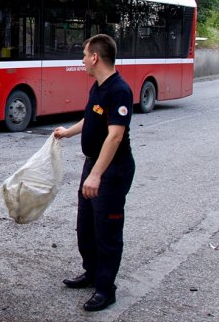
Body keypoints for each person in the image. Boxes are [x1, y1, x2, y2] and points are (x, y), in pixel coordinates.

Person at [53, 34, 135, 312]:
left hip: (112, 170)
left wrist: (96, 175)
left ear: (95, 57)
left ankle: (105, 289)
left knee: (107, 231)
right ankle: (91, 273)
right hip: (94, 165)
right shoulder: (98, 87)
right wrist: (67, 132)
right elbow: (91, 117)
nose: (83, 61)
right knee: (86, 226)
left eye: (84, 55)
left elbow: (115, 136)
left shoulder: (120, 90)